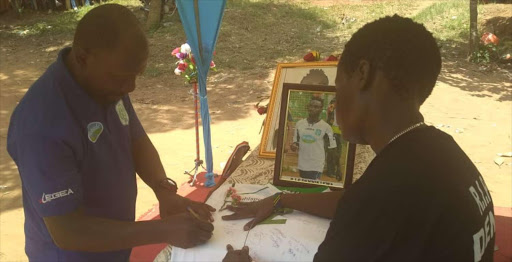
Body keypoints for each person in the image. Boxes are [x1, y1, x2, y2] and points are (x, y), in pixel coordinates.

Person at [222, 15, 495, 262]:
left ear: (362, 75)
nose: (334, 102)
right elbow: (356, 202)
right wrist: (282, 199)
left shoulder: (382, 194)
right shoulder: (441, 150)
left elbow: (367, 205)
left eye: (338, 86)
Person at [7, 4, 214, 261]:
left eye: (136, 75)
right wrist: (162, 230)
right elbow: (67, 231)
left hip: (114, 247)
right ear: (82, 58)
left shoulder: (105, 86)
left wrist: (164, 192)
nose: (131, 87)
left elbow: (135, 139)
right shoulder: (41, 125)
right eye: (121, 77)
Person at [290, 97, 337, 180]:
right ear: (308, 107)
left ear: (321, 109)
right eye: (311, 106)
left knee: (313, 185)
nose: (312, 109)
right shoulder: (299, 124)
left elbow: (332, 148)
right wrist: (294, 146)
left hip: (317, 164)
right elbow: (296, 142)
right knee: (303, 187)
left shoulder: (326, 127)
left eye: (316, 107)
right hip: (302, 163)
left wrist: (333, 167)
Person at [326, 98, 343, 180]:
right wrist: (330, 110)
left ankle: (336, 171)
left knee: (338, 153)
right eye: (333, 103)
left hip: (339, 134)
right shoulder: (331, 111)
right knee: (331, 153)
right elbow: (328, 119)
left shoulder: (342, 112)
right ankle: (330, 171)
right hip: (331, 134)